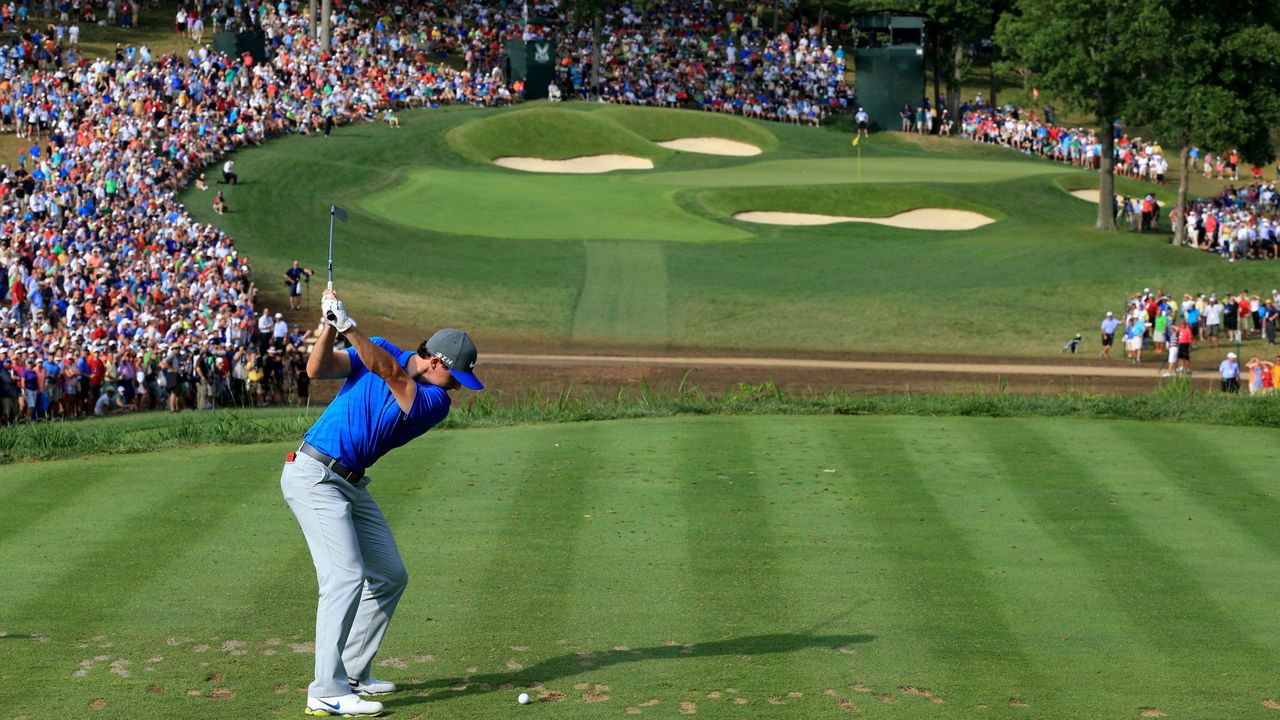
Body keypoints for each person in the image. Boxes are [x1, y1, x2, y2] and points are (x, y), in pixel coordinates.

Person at [280, 287, 483, 718]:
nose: (458, 389)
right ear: (435, 362)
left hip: (350, 483)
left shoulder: (434, 402)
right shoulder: (381, 351)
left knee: (389, 575)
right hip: (314, 473)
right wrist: (328, 326)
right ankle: (326, 689)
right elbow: (318, 369)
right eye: (456, 377)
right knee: (345, 577)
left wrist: (350, 325)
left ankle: (351, 671)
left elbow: (393, 375)